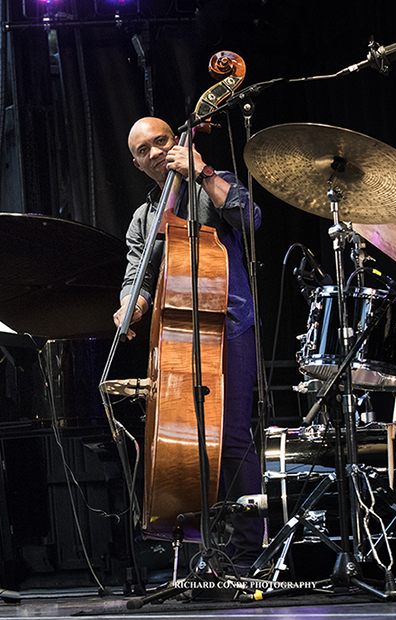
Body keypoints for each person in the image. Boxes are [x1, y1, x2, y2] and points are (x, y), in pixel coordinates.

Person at [112, 117, 263, 570]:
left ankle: (251, 549)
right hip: (176, 341)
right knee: (190, 446)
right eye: (144, 150)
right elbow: (135, 275)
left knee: (232, 438)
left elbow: (250, 219)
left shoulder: (211, 183)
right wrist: (130, 305)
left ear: (176, 142)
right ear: (137, 163)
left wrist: (204, 173)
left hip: (228, 327)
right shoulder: (144, 218)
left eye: (161, 141)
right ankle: (208, 549)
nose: (155, 152)